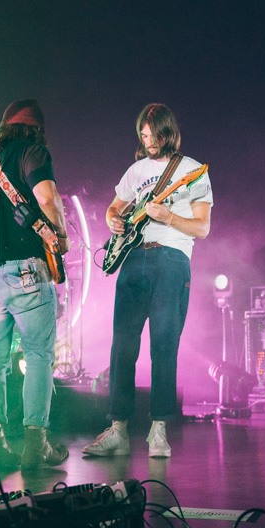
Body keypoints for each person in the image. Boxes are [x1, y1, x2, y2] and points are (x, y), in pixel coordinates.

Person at [84, 103, 213, 459]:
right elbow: (115, 208)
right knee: (122, 346)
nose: (148, 141)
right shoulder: (136, 169)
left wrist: (169, 216)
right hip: (132, 258)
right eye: (142, 135)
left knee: (163, 346)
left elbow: (202, 227)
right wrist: (113, 220)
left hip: (171, 259)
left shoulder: (191, 170)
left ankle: (159, 430)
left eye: (153, 134)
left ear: (166, 131)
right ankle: (118, 429)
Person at [0, 99, 70, 469]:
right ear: (36, 130)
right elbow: (47, 198)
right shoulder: (32, 151)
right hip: (24, 269)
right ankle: (36, 444)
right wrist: (61, 234)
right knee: (38, 353)